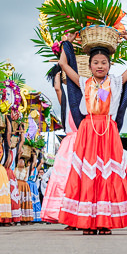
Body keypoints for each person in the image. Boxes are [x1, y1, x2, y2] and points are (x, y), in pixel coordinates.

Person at [57, 31, 127, 234]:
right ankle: (86, 221)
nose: (99, 66)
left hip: (108, 129)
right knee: (88, 173)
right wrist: (66, 42)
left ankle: (105, 221)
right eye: (95, 62)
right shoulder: (83, 82)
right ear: (89, 66)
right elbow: (63, 64)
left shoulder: (115, 82)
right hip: (88, 130)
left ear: (109, 65)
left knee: (107, 174)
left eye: (104, 62)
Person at [41, 65, 79, 226]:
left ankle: (81, 216)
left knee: (80, 180)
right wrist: (58, 69)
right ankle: (68, 217)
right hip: (70, 145)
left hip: (85, 143)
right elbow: (58, 88)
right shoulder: (69, 104)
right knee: (67, 181)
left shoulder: (91, 101)